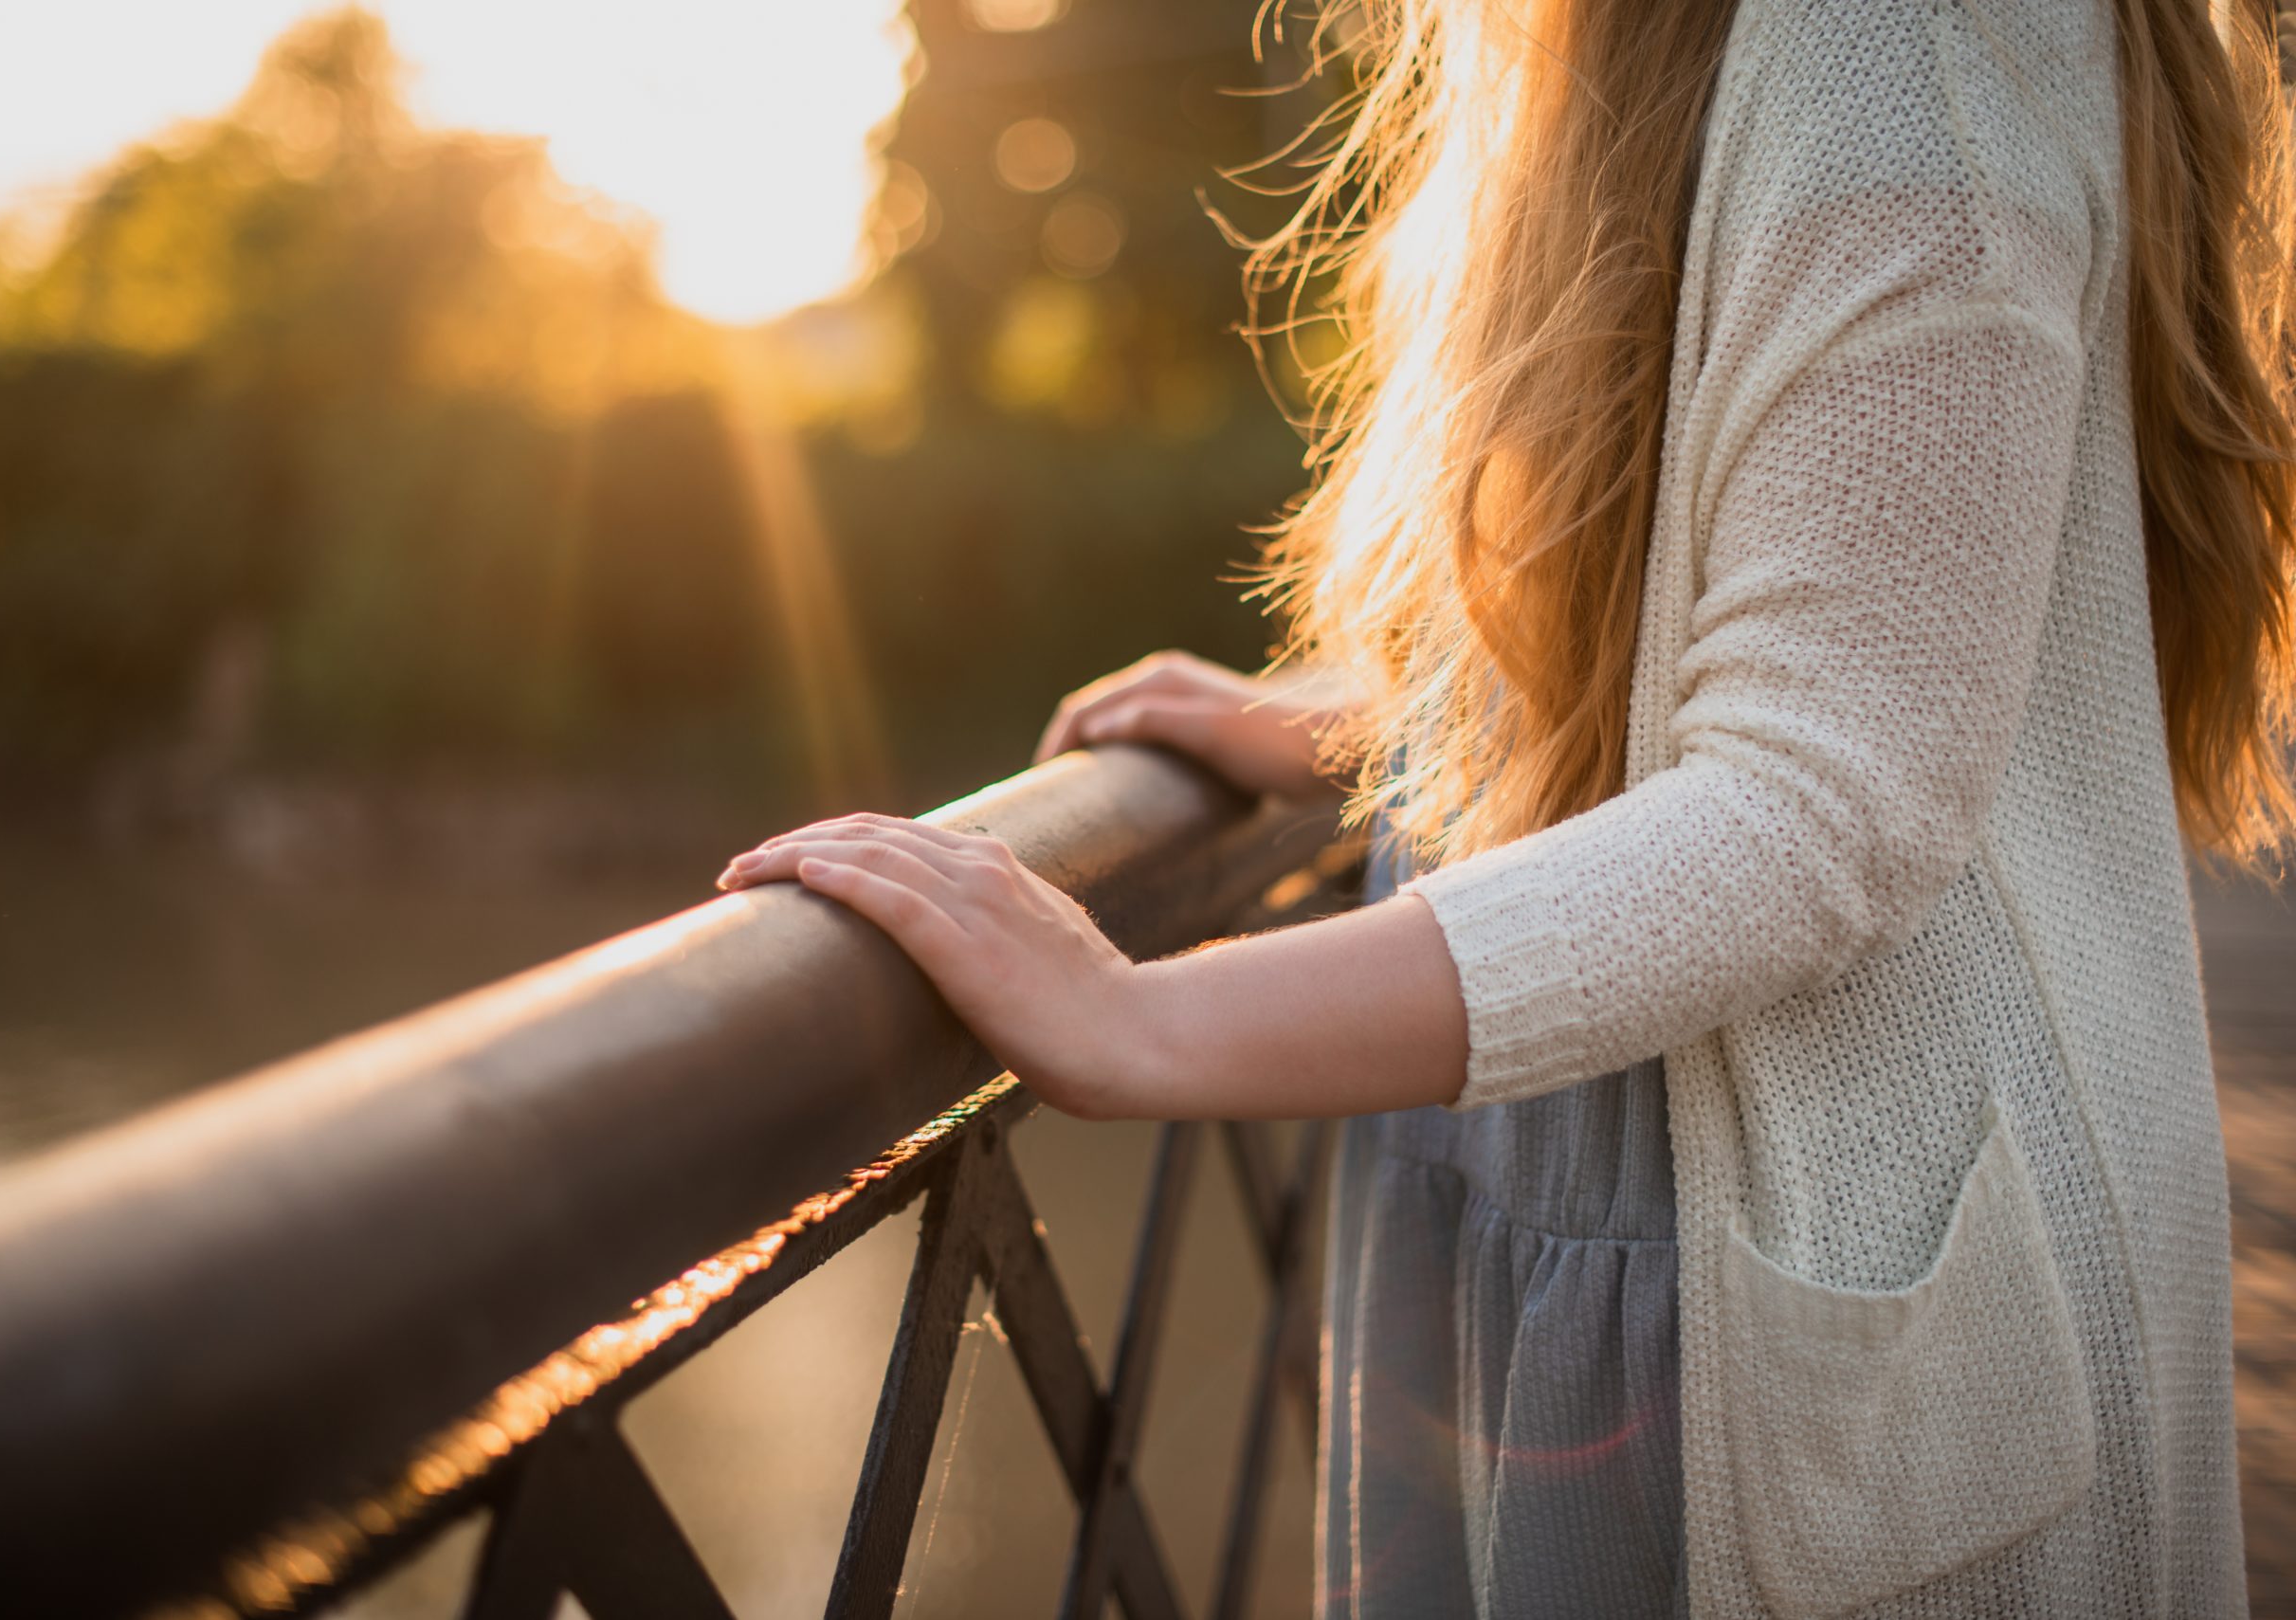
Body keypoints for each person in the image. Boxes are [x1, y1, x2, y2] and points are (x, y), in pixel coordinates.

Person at [720, 0, 2294, 1611]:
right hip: (1579, 1230)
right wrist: (1397, 721)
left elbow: (1818, 798)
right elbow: (1789, 582)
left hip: (1749, 1309)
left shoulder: (1905, 37)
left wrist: (1141, 1022)